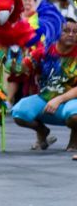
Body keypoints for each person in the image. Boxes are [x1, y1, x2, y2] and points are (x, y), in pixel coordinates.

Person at [10, 18, 77, 152]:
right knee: (18, 113)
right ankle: (42, 131)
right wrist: (9, 62)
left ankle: (74, 141)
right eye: (66, 31)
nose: (71, 34)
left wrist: (59, 99)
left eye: (75, 32)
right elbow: (20, 69)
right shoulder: (44, 51)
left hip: (70, 101)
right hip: (44, 99)